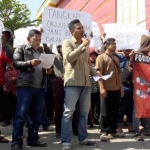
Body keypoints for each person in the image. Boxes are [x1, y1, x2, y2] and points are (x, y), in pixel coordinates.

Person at [11, 29, 53, 150]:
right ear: (28, 39)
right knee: (20, 115)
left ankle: (33, 139)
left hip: (39, 88)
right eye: (35, 40)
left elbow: (44, 68)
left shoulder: (41, 51)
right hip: (25, 87)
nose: (38, 42)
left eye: (40, 40)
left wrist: (47, 71)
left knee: (36, 116)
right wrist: (30, 63)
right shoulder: (21, 49)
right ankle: (16, 142)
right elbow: (16, 63)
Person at [61, 19, 98, 150]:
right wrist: (83, 46)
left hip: (86, 83)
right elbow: (69, 58)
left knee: (83, 113)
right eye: (79, 28)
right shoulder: (67, 42)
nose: (82, 30)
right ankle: (66, 142)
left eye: (83, 28)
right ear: (72, 31)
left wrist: (96, 73)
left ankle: (83, 139)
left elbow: (86, 64)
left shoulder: (85, 45)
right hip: (73, 82)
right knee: (68, 112)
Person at [96, 38, 125, 142]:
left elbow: (119, 75)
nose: (114, 45)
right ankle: (104, 131)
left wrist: (121, 88)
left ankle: (113, 130)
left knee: (114, 110)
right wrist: (102, 88)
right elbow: (99, 74)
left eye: (115, 43)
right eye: (112, 44)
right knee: (105, 111)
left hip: (116, 88)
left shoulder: (116, 58)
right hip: (106, 88)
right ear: (106, 45)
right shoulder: (101, 57)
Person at [0, 27, 13, 143]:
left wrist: (3, 47)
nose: (2, 36)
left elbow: (10, 61)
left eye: (4, 36)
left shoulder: (5, 50)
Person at [116, 50, 134, 133]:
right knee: (121, 107)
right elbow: (110, 52)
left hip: (133, 86)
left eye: (129, 50)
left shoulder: (135, 59)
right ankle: (119, 124)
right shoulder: (121, 58)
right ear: (123, 50)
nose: (128, 52)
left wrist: (132, 56)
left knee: (131, 106)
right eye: (126, 50)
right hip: (123, 86)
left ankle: (130, 124)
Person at [88, 47, 100, 127]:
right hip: (90, 90)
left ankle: (97, 120)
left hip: (98, 89)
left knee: (98, 106)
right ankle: (90, 122)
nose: (93, 57)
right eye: (91, 55)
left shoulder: (98, 65)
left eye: (94, 56)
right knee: (90, 107)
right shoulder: (87, 65)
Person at [3, 62, 17, 126]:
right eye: (8, 62)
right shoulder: (4, 69)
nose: (9, 63)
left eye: (10, 62)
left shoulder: (17, 69)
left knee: (15, 106)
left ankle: (15, 120)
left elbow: (21, 77)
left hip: (15, 90)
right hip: (6, 90)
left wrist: (16, 78)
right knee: (6, 106)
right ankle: (7, 120)